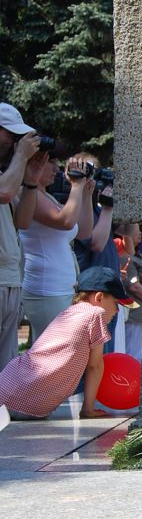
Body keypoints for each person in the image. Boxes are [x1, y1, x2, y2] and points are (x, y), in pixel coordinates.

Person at [0, 267, 137, 421]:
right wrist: (88, 410)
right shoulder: (95, 314)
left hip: (8, 384)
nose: (117, 311)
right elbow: (95, 366)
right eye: (116, 303)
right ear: (99, 297)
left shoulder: (70, 312)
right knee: (101, 366)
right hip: (29, 403)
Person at [19, 155, 95, 342]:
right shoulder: (29, 194)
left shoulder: (48, 196)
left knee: (62, 353)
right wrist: (76, 186)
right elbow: (66, 221)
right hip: (46, 290)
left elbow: (84, 231)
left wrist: (85, 193)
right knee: (52, 353)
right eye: (50, 162)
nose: (56, 168)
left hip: (62, 288)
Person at [0, 102, 46, 370]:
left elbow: (23, 220)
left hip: (9, 279)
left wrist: (31, 180)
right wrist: (20, 157)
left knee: (4, 368)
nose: (16, 143)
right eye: (11, 136)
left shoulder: (7, 173)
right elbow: (4, 193)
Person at [72, 153, 122, 353]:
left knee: (105, 358)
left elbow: (131, 232)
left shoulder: (99, 210)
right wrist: (109, 207)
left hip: (108, 293)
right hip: (93, 296)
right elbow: (97, 244)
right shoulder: (77, 211)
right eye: (85, 173)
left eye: (93, 173)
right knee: (93, 358)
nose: (90, 181)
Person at [116, 222, 142, 363]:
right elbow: (134, 286)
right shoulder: (124, 257)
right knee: (132, 354)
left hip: (140, 313)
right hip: (134, 313)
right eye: (135, 232)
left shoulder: (136, 255)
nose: (139, 234)